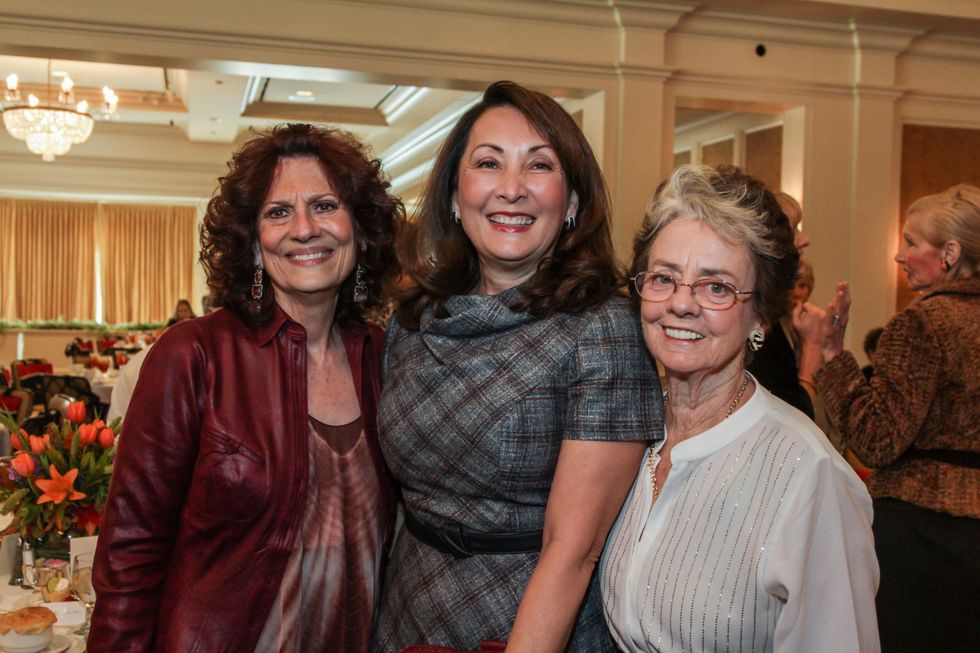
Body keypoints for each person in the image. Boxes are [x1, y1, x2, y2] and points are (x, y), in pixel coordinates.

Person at [88, 123, 404, 652]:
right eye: (278, 212)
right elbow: (129, 555)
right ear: (253, 241)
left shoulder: (386, 356)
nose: (305, 229)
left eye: (325, 205)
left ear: (361, 229)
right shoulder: (193, 356)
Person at [374, 81, 663, 653]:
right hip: (408, 605)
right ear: (455, 197)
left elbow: (573, 549)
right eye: (488, 163)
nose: (511, 190)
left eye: (539, 166)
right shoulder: (413, 320)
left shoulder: (604, 328)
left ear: (572, 200)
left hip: (530, 619)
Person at [601, 165, 879, 653]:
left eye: (716, 287)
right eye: (665, 278)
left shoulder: (807, 472)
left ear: (759, 314)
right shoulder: (629, 431)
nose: (682, 304)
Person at [798, 183, 980, 652]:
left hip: (923, 534)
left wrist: (834, 355)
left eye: (912, 243)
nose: (899, 256)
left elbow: (878, 440)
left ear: (951, 253)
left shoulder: (922, 323)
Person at [747, 191, 815, 417]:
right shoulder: (757, 319)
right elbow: (794, 416)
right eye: (793, 229)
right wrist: (813, 350)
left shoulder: (769, 314)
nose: (805, 239)